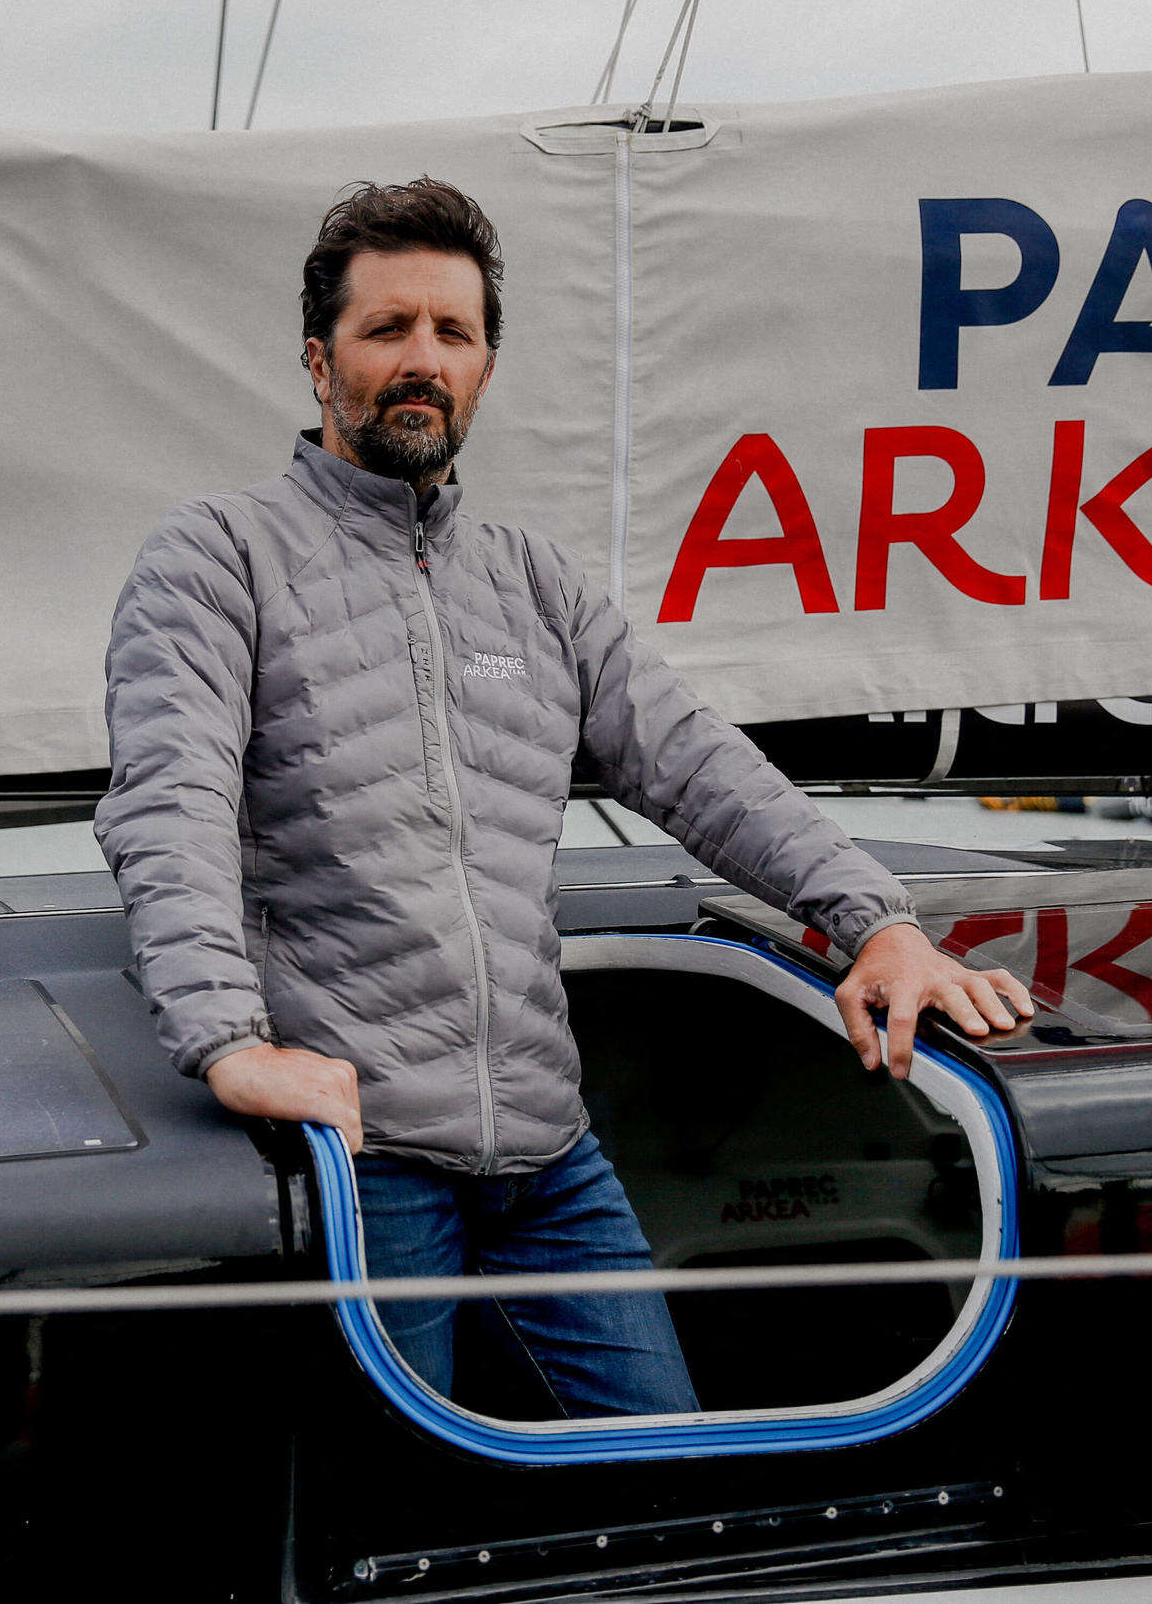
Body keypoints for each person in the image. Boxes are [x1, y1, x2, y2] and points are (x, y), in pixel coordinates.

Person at [95, 178, 1031, 1420]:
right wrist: (227, 1041)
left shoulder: (531, 582)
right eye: (387, 330)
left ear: (484, 365)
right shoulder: (218, 555)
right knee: (394, 1523)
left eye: (453, 333)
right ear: (319, 363)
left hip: (548, 1149)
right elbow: (171, 803)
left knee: (667, 1479)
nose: (421, 359)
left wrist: (876, 919)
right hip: (363, 1154)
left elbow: (694, 762)